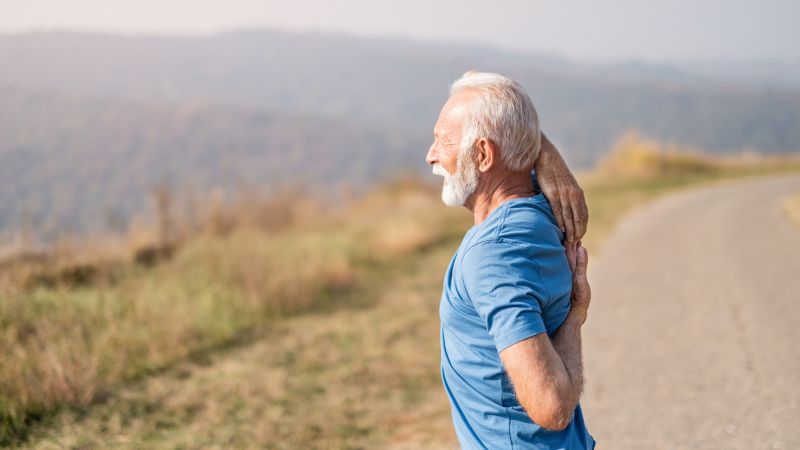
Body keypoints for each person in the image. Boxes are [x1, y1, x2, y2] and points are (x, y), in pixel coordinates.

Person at [427, 71, 595, 449]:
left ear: (484, 154)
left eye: (442, 141)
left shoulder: (493, 253)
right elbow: (496, 99)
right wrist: (542, 149)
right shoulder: (541, 208)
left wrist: (575, 317)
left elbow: (551, 406)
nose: (431, 155)